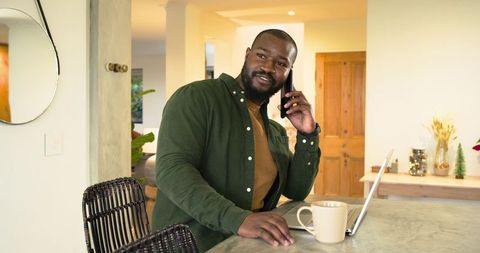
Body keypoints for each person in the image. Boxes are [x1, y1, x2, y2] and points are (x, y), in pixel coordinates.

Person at [152, 29, 321, 252]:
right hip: (192, 245)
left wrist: (308, 135)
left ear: (289, 74)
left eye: (281, 64)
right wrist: (237, 219)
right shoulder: (196, 98)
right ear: (247, 54)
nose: (268, 67)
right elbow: (172, 170)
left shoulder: (275, 132)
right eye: (261, 55)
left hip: (247, 245)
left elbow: (297, 190)